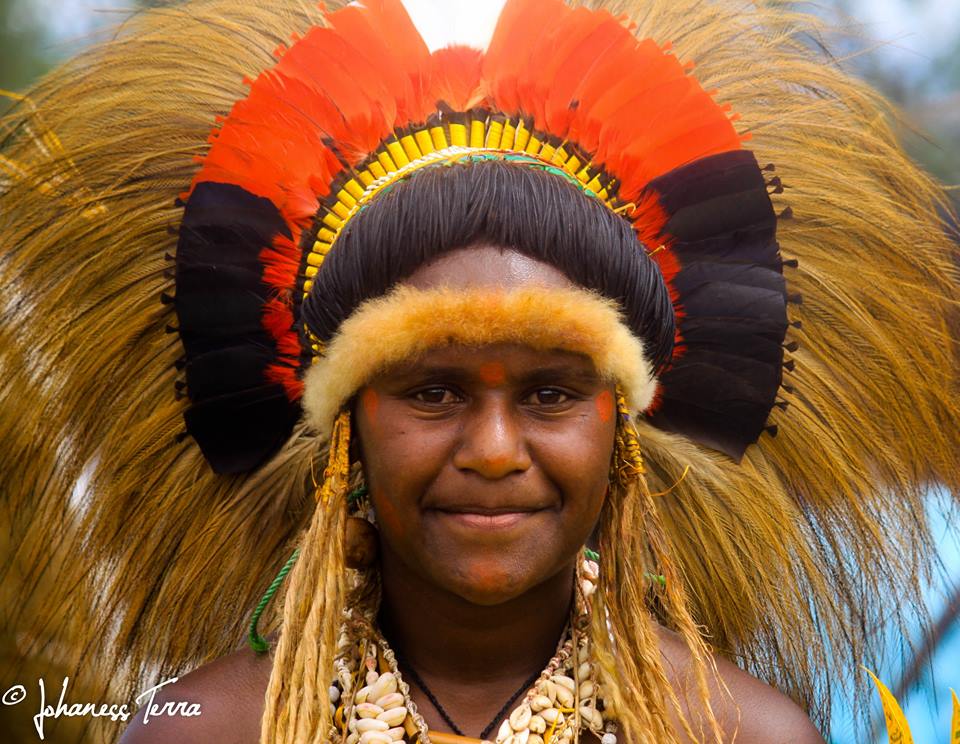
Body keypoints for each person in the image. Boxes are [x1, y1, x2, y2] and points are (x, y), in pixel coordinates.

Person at [1, 1, 957, 743]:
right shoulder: (206, 729)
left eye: (551, 392)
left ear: (621, 428)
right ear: (346, 427)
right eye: (432, 390)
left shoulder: (740, 732)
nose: (494, 450)